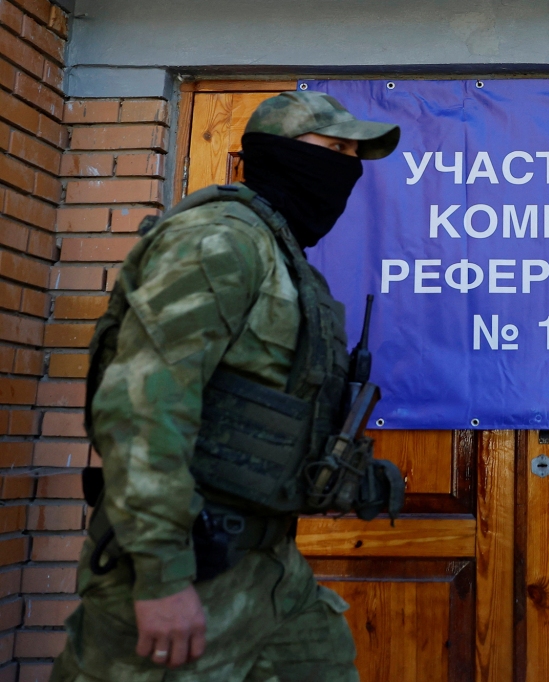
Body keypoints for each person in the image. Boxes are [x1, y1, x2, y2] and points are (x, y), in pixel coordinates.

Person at [51, 90, 402, 681]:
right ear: (274, 155)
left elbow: (257, 404)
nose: (345, 166)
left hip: (268, 568)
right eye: (331, 148)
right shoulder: (219, 241)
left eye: (352, 153)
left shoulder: (279, 253)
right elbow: (140, 403)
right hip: (192, 560)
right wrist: (163, 574)